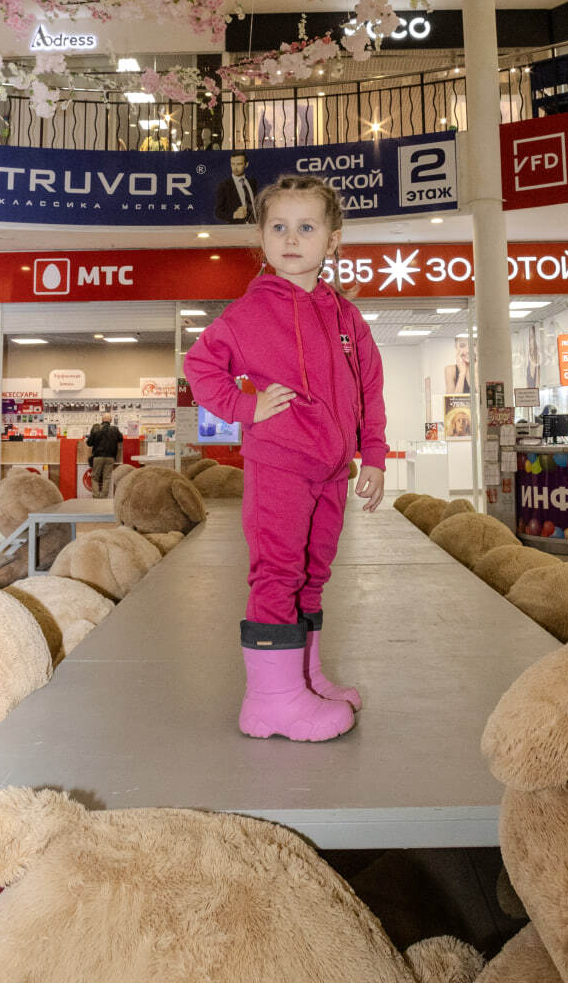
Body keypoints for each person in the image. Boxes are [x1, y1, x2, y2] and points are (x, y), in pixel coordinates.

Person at [185, 174, 388, 743]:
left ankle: (304, 675)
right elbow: (200, 367)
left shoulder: (347, 317)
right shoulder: (249, 314)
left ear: (333, 239)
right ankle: (271, 702)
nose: (292, 238)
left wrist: (371, 454)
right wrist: (244, 406)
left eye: (306, 227)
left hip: (332, 470)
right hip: (279, 462)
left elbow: (369, 387)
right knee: (277, 572)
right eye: (278, 227)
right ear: (262, 237)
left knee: (313, 573)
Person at [86, 412, 123, 498]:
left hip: (98, 456)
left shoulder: (96, 428)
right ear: (111, 420)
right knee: (107, 478)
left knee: (95, 477)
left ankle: (96, 496)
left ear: (102, 420)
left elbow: (89, 443)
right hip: (110, 457)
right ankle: (103, 497)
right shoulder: (115, 429)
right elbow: (121, 439)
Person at [214, 151, 258, 224]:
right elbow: (218, 212)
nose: (235, 168)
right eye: (233, 164)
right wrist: (234, 215)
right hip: (237, 228)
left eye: (239, 164)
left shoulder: (252, 182)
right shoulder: (224, 186)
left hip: (255, 226)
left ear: (246, 164)